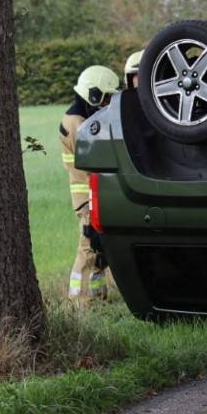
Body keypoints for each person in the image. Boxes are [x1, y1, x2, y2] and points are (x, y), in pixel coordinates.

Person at [62, 65, 120, 305]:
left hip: (94, 193)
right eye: (105, 97)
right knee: (88, 249)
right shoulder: (77, 122)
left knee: (99, 251)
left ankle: (98, 297)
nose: (107, 104)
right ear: (92, 94)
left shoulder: (82, 116)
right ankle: (79, 303)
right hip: (87, 197)